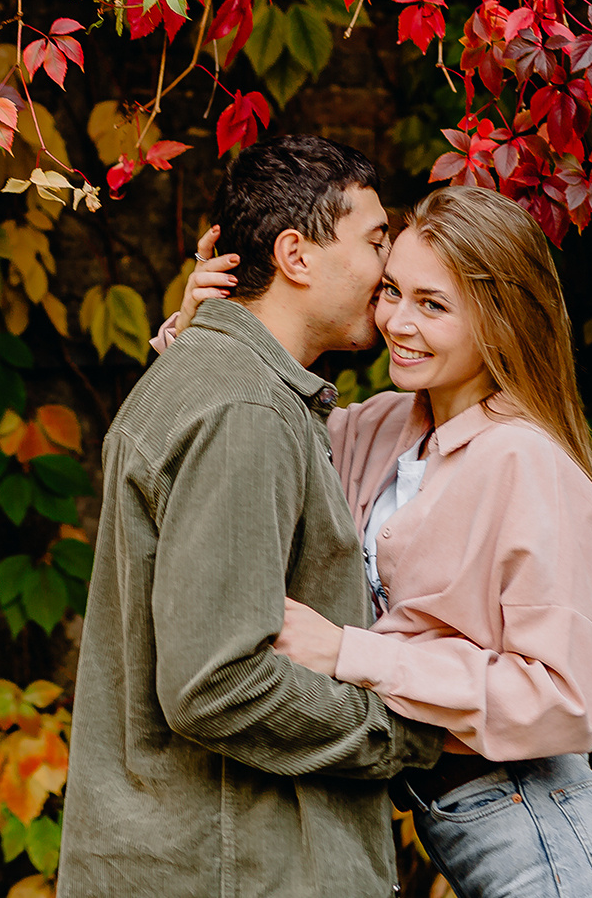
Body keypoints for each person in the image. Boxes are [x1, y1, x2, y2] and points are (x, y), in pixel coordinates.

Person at [161, 184, 592, 898]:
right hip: (473, 839)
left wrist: (350, 653)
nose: (399, 321)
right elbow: (245, 442)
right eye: (392, 291)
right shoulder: (381, 426)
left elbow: (561, 699)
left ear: (498, 320)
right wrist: (201, 336)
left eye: (433, 305)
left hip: (561, 856)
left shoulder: (528, 462)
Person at [56, 134, 445, 898]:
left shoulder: (216, 380)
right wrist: (395, 728)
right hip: (233, 867)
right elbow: (218, 679)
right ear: (296, 255)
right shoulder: (245, 407)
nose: (388, 272)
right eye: (375, 243)